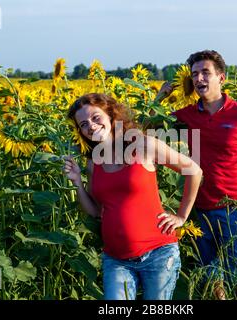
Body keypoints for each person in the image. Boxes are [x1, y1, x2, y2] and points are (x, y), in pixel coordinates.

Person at [158, 50, 237, 299]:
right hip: (200, 211)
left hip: (235, 210)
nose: (198, 78)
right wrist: (161, 97)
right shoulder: (186, 116)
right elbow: (148, 127)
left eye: (205, 72)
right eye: (194, 74)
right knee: (210, 278)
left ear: (221, 78)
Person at [63, 93, 202, 300]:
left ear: (110, 115)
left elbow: (194, 170)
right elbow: (95, 210)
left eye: (95, 118)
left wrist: (182, 216)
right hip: (116, 259)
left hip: (158, 253)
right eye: (83, 124)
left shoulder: (143, 145)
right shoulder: (93, 163)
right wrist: (77, 183)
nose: (90, 126)